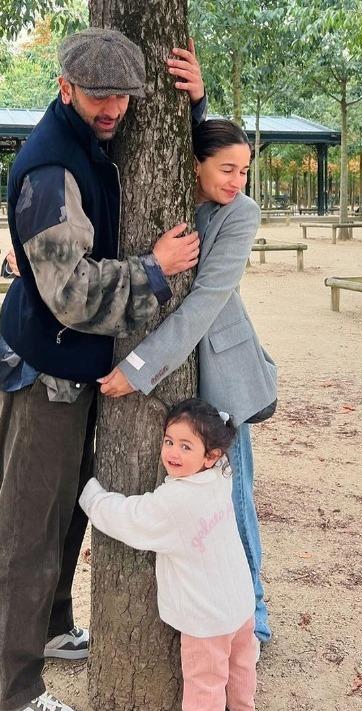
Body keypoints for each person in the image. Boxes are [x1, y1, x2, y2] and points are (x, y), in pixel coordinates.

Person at [0, 28, 208, 711]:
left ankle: (50, 630)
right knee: (28, 535)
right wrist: (155, 271)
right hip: (42, 368)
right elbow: (72, 294)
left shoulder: (91, 143)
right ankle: (8, 698)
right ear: (64, 88)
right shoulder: (53, 168)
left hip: (71, 369)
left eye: (122, 97)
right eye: (97, 95)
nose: (111, 109)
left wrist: (195, 111)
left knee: (63, 514)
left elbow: (183, 162)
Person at [96, 118, 277, 643]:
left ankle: (253, 622)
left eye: (245, 169)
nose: (238, 180)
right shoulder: (168, 194)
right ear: (193, 161)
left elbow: (203, 304)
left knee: (233, 499)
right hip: (176, 366)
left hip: (222, 376)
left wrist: (139, 368)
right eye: (227, 169)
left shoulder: (240, 214)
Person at [80, 399, 258, 711]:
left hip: (206, 620)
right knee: (241, 671)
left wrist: (92, 497)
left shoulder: (175, 502)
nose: (173, 453)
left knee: (205, 689)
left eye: (186, 446)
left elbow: (130, 518)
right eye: (169, 441)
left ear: (210, 456)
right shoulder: (220, 478)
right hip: (241, 605)